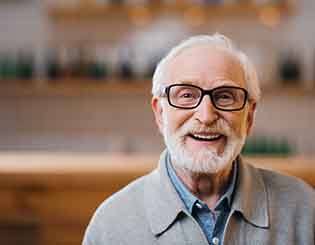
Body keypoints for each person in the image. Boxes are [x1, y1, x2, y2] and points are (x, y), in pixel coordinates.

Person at [83, 34, 315, 245]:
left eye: (225, 96)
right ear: (160, 113)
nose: (206, 116)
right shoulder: (111, 226)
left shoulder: (305, 211)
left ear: (249, 116)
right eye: (186, 95)